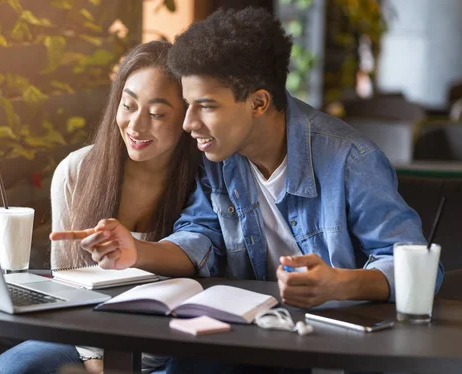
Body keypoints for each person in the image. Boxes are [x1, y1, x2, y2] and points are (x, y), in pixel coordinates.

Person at [54, 7, 444, 374]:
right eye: (187, 105)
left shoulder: (350, 159)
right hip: (255, 336)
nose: (189, 123)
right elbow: (201, 235)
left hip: (334, 343)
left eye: (206, 106)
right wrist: (138, 252)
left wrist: (340, 282)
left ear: (258, 103)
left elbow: (416, 265)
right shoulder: (219, 159)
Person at [0, 40, 200, 374]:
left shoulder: (206, 179)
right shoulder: (76, 172)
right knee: (10, 369)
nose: (136, 126)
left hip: (176, 347)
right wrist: (95, 361)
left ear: (187, 117)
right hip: (87, 342)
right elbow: (66, 289)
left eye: (157, 114)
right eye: (128, 105)